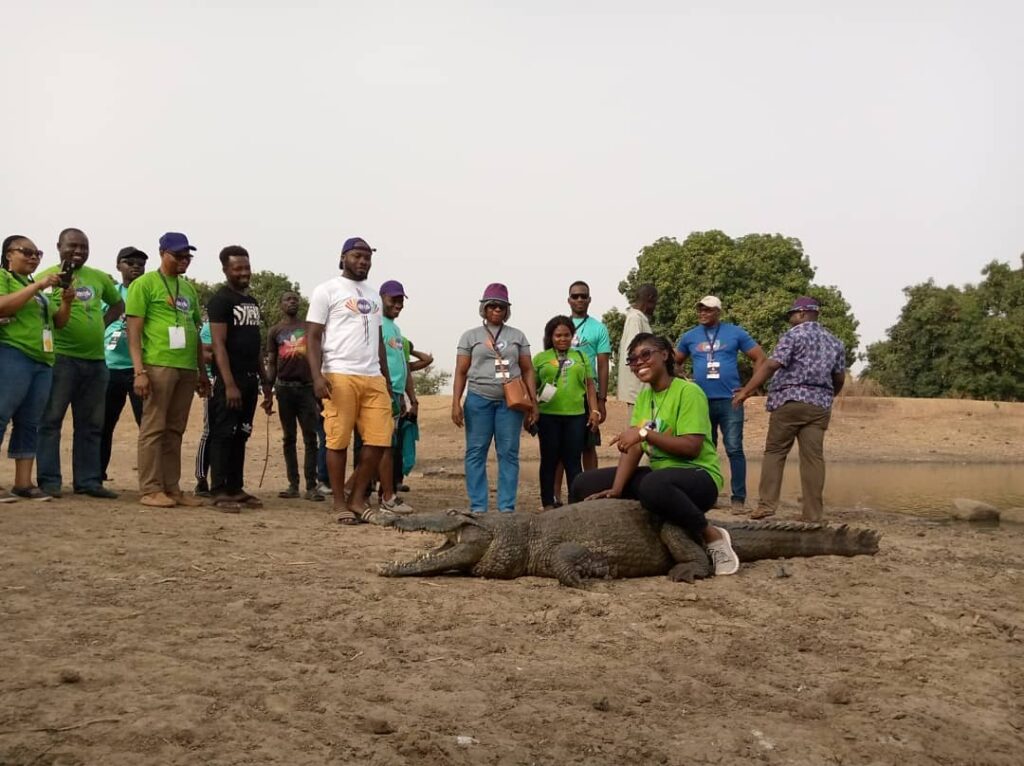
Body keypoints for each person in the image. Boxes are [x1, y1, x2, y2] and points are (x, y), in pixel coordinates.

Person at [570, 333, 739, 576]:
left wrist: (643, 434)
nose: (638, 362)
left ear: (665, 355)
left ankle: (711, 535)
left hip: (698, 476)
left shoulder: (689, 392)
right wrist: (617, 488)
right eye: (632, 359)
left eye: (645, 354)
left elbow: (691, 447)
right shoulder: (644, 397)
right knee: (582, 482)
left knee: (653, 485)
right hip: (661, 476)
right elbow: (635, 447)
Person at [732, 296, 846, 522]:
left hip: (789, 400)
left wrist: (746, 391)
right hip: (819, 405)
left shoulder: (794, 335)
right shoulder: (835, 342)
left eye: (792, 314)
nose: (790, 318)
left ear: (803, 313)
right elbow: (839, 377)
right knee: (813, 458)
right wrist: (827, 397)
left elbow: (771, 365)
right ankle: (813, 513)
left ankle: (767, 505)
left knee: (775, 452)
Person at [306, 237, 394, 525]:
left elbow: (378, 340)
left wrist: (385, 377)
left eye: (367, 257)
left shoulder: (374, 295)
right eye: (357, 256)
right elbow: (313, 337)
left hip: (372, 376)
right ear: (343, 258)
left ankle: (356, 497)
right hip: (339, 373)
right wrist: (317, 375)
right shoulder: (327, 290)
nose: (363, 261)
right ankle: (339, 503)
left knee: (380, 440)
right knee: (338, 440)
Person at [125, 232, 210, 508]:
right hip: (157, 364)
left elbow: (195, 331)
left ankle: (172, 488)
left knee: (175, 430)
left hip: (186, 367)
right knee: (154, 428)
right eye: (179, 255)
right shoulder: (144, 284)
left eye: (188, 256)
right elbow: (133, 332)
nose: (185, 260)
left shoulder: (188, 289)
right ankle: (150, 488)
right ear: (163, 253)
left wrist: (201, 372)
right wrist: (139, 371)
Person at [35, 228, 122, 499]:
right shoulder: (45, 277)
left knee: (91, 425)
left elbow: (118, 305)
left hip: (96, 362)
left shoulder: (99, 277)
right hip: (60, 359)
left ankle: (88, 481)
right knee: (50, 422)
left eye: (84, 247)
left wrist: (101, 325)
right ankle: (49, 481)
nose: (78, 251)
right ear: (58, 246)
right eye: (72, 246)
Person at [451, 283, 539, 513]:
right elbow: (461, 371)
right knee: (476, 451)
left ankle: (506, 507)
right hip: (478, 399)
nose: (497, 310)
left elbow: (528, 369)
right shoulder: (470, 336)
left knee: (508, 453)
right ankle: (478, 506)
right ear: (484, 308)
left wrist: (533, 402)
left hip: (510, 403)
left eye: (502, 306)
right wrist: (456, 402)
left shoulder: (517, 335)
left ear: (507, 310)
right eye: (492, 306)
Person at [0, 235, 74, 502]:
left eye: (37, 253)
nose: (33, 257)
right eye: (26, 252)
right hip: (13, 352)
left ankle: (23, 483)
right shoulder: (5, 278)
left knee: (30, 422)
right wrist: (39, 285)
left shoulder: (37, 291)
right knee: (1, 414)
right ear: (9, 254)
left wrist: (67, 301)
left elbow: (59, 322)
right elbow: (2, 306)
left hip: (42, 359)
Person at [675, 295, 766, 511]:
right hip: (700, 402)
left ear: (718, 312)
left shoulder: (735, 332)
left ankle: (738, 498)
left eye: (707, 310)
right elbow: (673, 362)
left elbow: (760, 358)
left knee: (734, 448)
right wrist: (685, 382)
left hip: (730, 401)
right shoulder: (690, 336)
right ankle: (708, 495)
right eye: (700, 309)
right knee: (705, 450)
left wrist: (748, 390)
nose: (702, 313)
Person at [206, 246, 270, 511]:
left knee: (242, 433)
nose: (244, 273)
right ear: (225, 270)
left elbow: (255, 344)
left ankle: (235, 487)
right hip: (229, 381)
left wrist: (265, 380)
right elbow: (218, 345)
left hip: (250, 380)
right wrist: (229, 383)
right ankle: (219, 490)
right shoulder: (220, 301)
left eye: (247, 267)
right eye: (237, 268)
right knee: (224, 433)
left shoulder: (252, 302)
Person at [533, 315, 600, 509]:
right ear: (550, 337)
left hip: (576, 416)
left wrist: (594, 410)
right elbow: (532, 387)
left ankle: (575, 503)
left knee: (573, 461)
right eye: (558, 335)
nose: (563, 339)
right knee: (549, 460)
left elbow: (590, 385)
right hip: (548, 416)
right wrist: (531, 411)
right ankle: (547, 502)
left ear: (572, 336)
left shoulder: (581, 357)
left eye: (567, 335)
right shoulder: (540, 358)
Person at [265, 291, 324, 502]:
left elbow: (319, 356)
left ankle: (311, 485)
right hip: (284, 388)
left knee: (310, 437)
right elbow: (272, 363)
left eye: (295, 299)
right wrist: (268, 390)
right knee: (289, 438)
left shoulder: (309, 328)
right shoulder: (275, 331)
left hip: (307, 388)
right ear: (280, 304)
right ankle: (293, 484)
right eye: (287, 299)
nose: (292, 302)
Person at [100, 246, 147, 483]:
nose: (135, 267)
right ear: (118, 265)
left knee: (146, 426)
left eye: (140, 263)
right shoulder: (111, 294)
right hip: (110, 367)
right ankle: (96, 475)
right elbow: (98, 323)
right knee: (103, 425)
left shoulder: (147, 292)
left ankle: (150, 478)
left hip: (140, 369)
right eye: (130, 263)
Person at [376, 279, 418, 511]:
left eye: (401, 300)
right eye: (394, 299)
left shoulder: (396, 330)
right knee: (381, 446)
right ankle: (383, 496)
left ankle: (384, 493)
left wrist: (410, 398)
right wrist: (390, 392)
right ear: (381, 298)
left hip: (396, 394)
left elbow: (404, 366)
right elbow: (377, 362)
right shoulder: (377, 325)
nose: (398, 304)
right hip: (382, 392)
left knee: (390, 446)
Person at [567, 281, 612, 469]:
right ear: (569, 300)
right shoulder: (560, 326)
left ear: (589, 299)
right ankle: (562, 488)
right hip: (563, 392)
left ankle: (591, 484)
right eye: (575, 296)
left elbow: (603, 365)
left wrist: (602, 400)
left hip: (588, 393)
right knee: (563, 447)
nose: (579, 299)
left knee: (588, 444)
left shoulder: (599, 328)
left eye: (583, 296)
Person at [616, 284, 658, 417]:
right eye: (655, 302)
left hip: (643, 389)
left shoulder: (639, 318)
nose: (655, 306)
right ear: (650, 298)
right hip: (638, 391)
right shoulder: (635, 318)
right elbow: (634, 352)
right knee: (639, 426)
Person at [193, 318, 214, 495]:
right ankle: (201, 478)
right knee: (209, 431)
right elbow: (204, 354)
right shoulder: (209, 327)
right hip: (214, 382)